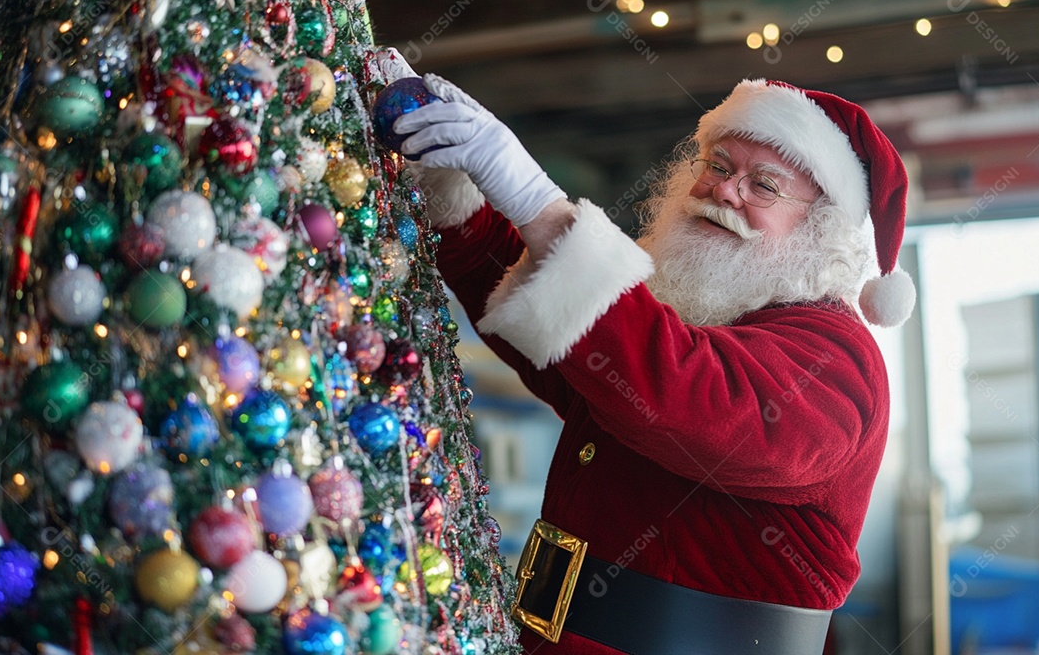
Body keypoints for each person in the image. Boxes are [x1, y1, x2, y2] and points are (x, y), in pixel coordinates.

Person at [389, 61, 915, 654]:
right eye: (718, 166)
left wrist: (535, 201)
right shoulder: (699, 317)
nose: (724, 190)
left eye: (763, 185)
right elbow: (567, 348)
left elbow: (686, 392)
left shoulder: (839, 357)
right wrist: (457, 203)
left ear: (819, 229)